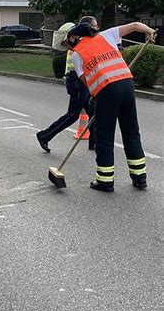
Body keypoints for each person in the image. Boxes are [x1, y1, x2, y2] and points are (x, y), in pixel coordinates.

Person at [67, 20, 156, 192]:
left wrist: (96, 98)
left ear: (76, 37)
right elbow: (136, 25)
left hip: (107, 92)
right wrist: (150, 31)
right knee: (131, 132)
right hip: (127, 85)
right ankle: (140, 178)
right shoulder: (106, 35)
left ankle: (105, 181)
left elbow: (87, 81)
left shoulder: (77, 54)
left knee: (104, 136)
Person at [36, 18, 95, 152]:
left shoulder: (78, 42)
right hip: (77, 82)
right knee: (73, 114)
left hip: (78, 81)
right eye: (94, 25)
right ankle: (44, 136)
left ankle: (94, 142)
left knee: (92, 112)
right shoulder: (77, 45)